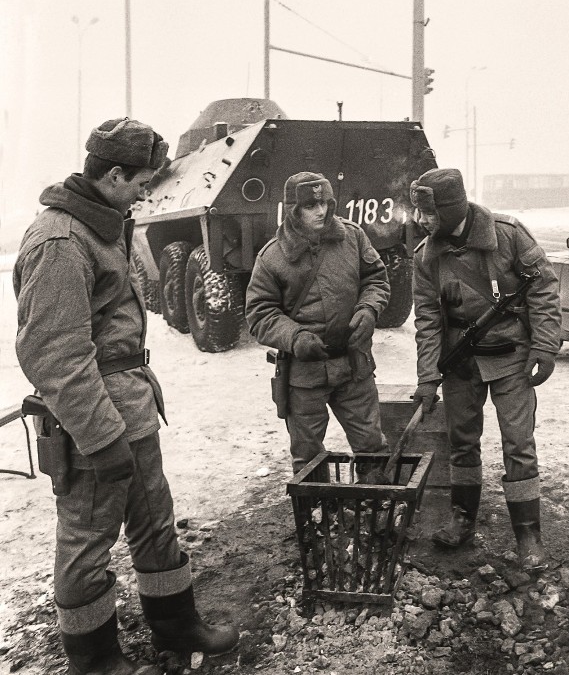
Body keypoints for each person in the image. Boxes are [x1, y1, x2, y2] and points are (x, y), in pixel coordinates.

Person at [13, 118, 239, 675]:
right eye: (141, 181)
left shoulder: (104, 226)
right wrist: (100, 435)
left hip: (130, 409)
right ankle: (94, 661)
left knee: (154, 522)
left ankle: (176, 625)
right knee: (88, 539)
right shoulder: (62, 240)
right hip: (91, 421)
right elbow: (53, 354)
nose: (146, 191)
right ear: (114, 175)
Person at [409, 167, 562, 571]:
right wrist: (428, 377)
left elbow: (544, 287)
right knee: (462, 440)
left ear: (450, 208)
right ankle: (462, 519)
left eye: (428, 213)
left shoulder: (509, 234)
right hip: (461, 360)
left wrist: (545, 346)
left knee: (518, 443)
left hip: (511, 356)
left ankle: (528, 535)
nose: (421, 221)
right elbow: (427, 320)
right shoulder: (426, 257)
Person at [244, 171, 390, 474]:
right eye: (311, 206)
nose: (321, 211)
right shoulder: (272, 257)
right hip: (304, 372)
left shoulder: (353, 236)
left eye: (325, 203)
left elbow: (375, 279)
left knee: (372, 446)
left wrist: (368, 309)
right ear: (294, 210)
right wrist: (295, 337)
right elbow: (259, 312)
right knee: (308, 455)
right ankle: (317, 514)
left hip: (353, 364)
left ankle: (375, 508)